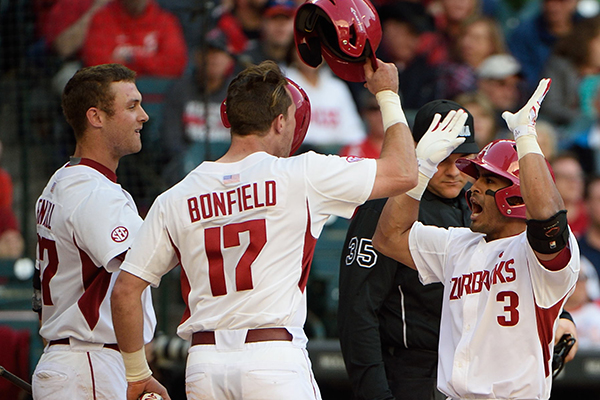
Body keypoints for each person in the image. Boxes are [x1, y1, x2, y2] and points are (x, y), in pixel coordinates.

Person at [108, 57, 431, 400]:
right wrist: (388, 96)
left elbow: (125, 291)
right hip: (272, 358)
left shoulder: (176, 195)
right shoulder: (301, 173)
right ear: (279, 122)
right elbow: (403, 173)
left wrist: (137, 373)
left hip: (204, 363)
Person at [372, 79, 580, 400]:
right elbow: (388, 237)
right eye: (477, 178)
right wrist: (421, 167)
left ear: (516, 192)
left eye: (488, 180)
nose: (474, 188)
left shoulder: (537, 255)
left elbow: (548, 219)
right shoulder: (459, 244)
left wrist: (526, 137)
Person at [338, 99, 480, 400]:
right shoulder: (385, 206)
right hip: (410, 372)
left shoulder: (481, 206)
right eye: (443, 158)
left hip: (471, 372)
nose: (454, 171)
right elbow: (358, 310)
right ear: (421, 148)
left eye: (464, 158)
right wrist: (374, 394)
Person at [32, 63, 157, 400]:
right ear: (96, 117)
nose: (143, 116)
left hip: (72, 360)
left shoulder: (62, 180)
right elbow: (148, 262)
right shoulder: (93, 191)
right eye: (131, 106)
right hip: (89, 362)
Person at [80, 0, 187, 78]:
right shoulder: (103, 18)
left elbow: (175, 65)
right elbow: (97, 65)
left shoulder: (165, 20)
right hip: (113, 89)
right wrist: (151, 63)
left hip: (157, 90)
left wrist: (132, 58)